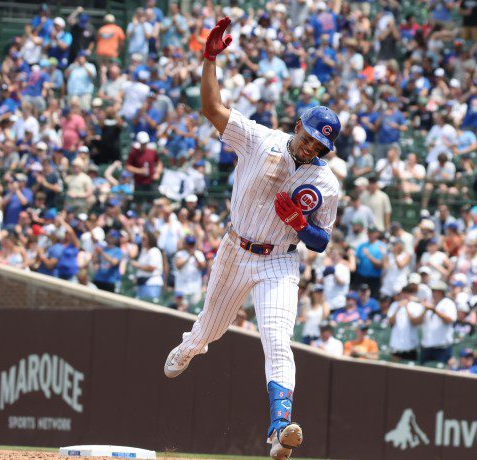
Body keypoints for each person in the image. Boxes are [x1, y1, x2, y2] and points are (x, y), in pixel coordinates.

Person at [164, 18, 342, 460]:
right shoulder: (261, 139)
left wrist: (302, 226)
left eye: (319, 147)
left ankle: (280, 430)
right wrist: (209, 60)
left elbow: (321, 242)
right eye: (308, 138)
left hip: (279, 261)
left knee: (278, 340)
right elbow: (212, 109)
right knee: (210, 329)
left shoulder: (327, 183)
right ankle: (190, 346)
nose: (310, 149)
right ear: (297, 126)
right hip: (234, 249)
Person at [414, 280, 457, 364]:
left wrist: (434, 310)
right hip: (426, 346)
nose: (433, 293)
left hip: (441, 348)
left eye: (435, 291)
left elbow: (449, 320)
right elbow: (417, 322)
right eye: (432, 290)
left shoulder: (448, 303)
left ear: (441, 292)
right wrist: (425, 310)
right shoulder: (429, 303)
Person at [387, 287, 424, 362]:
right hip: (396, 344)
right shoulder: (394, 305)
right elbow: (391, 323)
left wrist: (406, 307)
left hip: (411, 346)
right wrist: (398, 308)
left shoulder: (417, 306)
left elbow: (414, 323)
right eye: (404, 292)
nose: (406, 295)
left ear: (412, 294)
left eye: (408, 293)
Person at [173, 235, 207, 308]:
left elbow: (202, 266)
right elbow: (178, 266)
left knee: (194, 308)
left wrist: (194, 256)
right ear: (185, 244)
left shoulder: (199, 254)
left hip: (195, 287)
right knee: (181, 308)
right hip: (181, 287)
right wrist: (188, 256)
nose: (190, 246)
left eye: (192, 244)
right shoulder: (180, 254)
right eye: (189, 244)